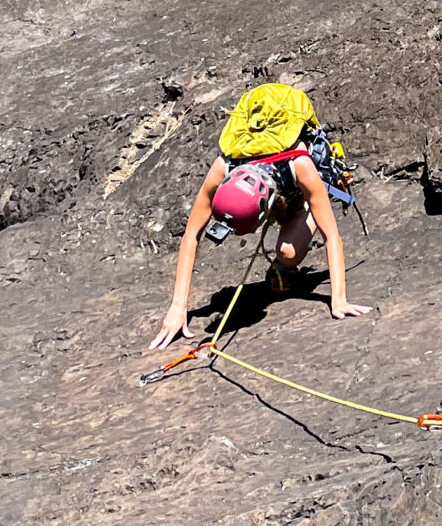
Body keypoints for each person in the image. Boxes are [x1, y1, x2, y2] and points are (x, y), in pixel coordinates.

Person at [149, 79, 368, 348]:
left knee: (287, 252)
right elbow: (191, 235)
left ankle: (298, 230)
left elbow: (331, 235)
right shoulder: (224, 166)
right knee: (286, 247)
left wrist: (338, 299)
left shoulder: (299, 165)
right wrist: (178, 307)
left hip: (297, 191)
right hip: (274, 188)